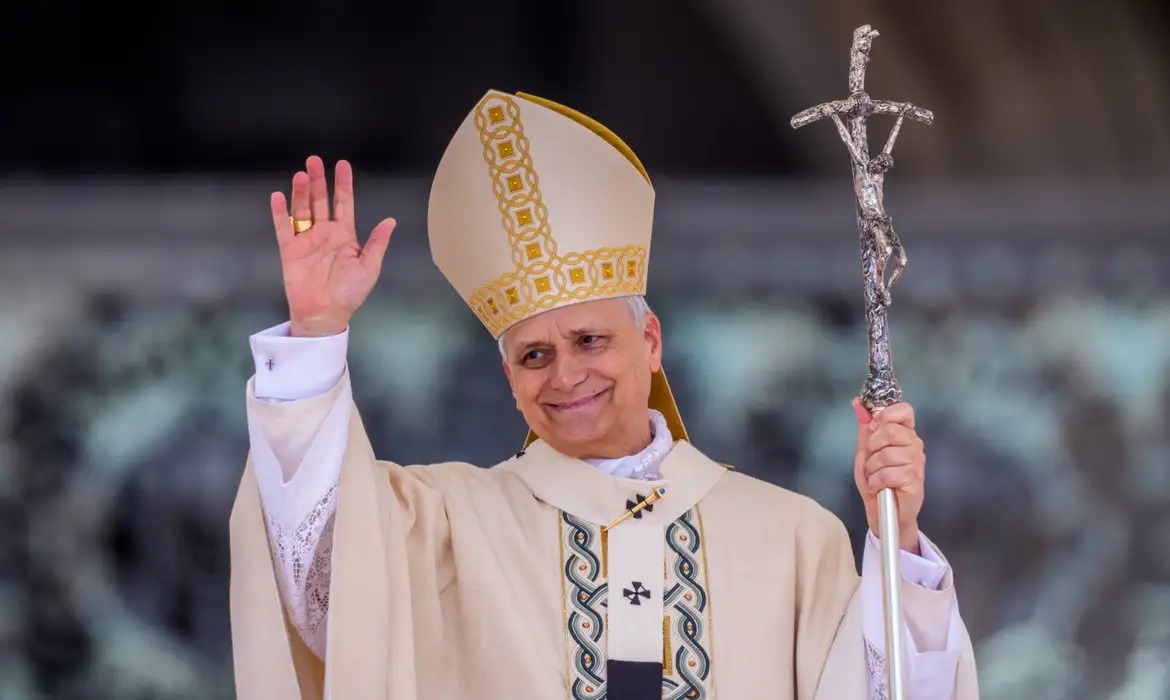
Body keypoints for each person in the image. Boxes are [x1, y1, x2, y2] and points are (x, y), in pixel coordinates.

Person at [228, 90, 979, 700]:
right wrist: (317, 331)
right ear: (510, 382)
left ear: (649, 340)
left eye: (590, 340)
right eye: (534, 356)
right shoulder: (446, 525)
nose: (565, 375)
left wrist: (899, 541)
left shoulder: (792, 540)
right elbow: (324, 587)